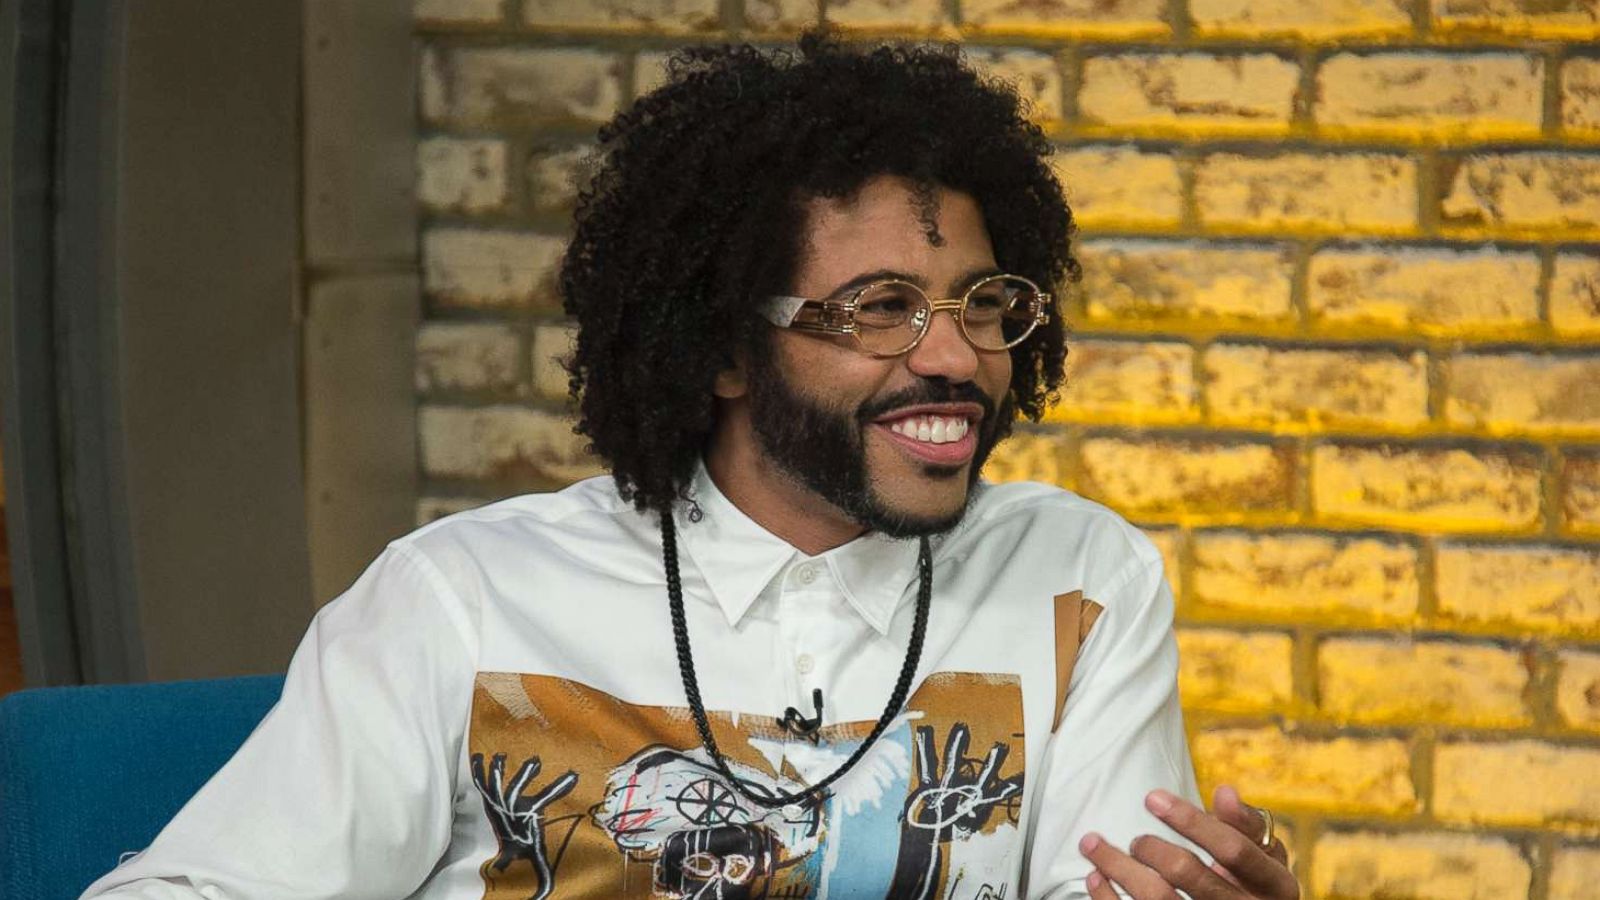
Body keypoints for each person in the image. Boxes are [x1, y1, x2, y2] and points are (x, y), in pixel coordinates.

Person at [82, 33, 1299, 900]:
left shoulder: (1077, 578)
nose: (951, 356)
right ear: (720, 347)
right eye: (877, 307)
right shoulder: (464, 598)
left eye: (981, 301)